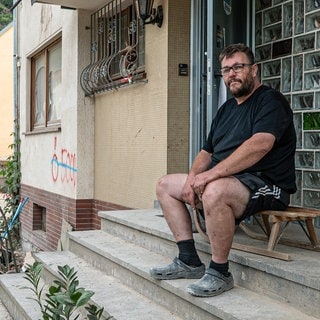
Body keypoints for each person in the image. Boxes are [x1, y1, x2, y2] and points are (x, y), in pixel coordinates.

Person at [150, 43, 296, 297]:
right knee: (165, 184)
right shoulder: (226, 109)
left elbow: (260, 145)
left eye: (238, 67)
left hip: (267, 183)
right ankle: (188, 260)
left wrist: (211, 176)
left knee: (214, 190)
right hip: (231, 181)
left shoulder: (271, 101)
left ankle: (219, 272)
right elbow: (207, 152)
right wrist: (193, 178)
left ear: (254, 70)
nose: (231, 74)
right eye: (226, 70)